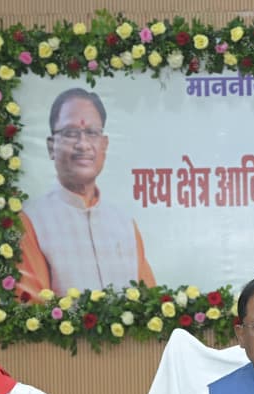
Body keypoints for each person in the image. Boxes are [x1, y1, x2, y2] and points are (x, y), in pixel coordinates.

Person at [15, 87, 155, 298]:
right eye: (70, 133)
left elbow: (149, 301)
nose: (83, 144)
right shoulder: (31, 221)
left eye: (91, 133)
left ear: (104, 145)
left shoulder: (124, 224)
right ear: (51, 147)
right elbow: (33, 308)